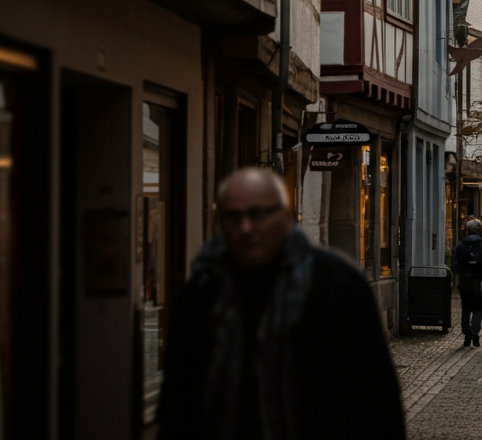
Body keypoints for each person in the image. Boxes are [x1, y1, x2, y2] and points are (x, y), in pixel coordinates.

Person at [158, 168, 404, 440]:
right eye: (233, 216)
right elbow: (178, 401)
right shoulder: (201, 294)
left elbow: (377, 398)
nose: (246, 227)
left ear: (287, 217)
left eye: (259, 214)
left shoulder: (337, 285)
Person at [453, 218, 482, 347]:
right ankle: (475, 333)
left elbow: (455, 263)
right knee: (478, 308)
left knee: (466, 308)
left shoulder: (460, 245)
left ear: (467, 230)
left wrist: (460, 274)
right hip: (478, 280)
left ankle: (466, 334)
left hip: (464, 281)